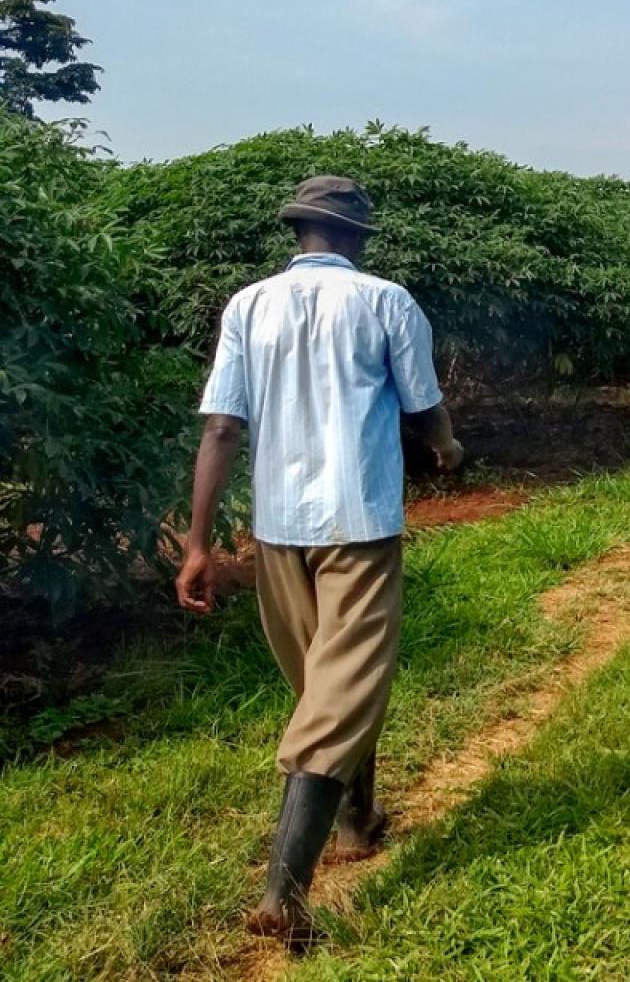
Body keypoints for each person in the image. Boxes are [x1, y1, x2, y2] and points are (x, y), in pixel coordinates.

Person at [174, 175, 464, 947]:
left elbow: (221, 431)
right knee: (338, 694)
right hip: (359, 522)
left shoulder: (248, 305)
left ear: (299, 232)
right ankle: (283, 895)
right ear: (358, 237)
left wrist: (200, 544)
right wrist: (447, 446)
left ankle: (360, 820)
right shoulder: (386, 301)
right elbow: (422, 404)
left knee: (324, 687)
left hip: (276, 529)